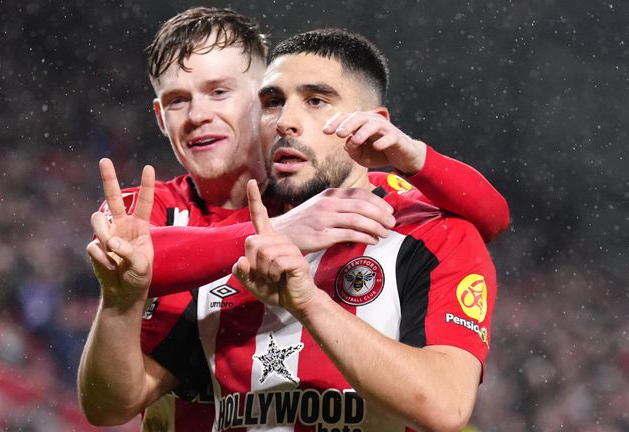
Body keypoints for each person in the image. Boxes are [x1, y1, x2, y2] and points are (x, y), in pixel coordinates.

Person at [78, 8, 508, 431]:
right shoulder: (205, 234)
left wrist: (417, 157)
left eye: (316, 101)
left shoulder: (428, 227)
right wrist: (120, 301)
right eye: (276, 103)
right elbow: (111, 404)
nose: (197, 115)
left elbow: (445, 405)